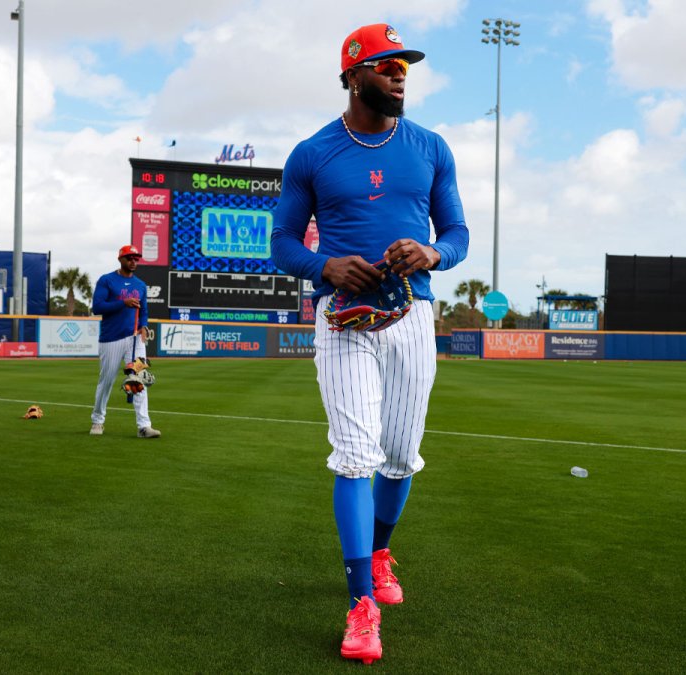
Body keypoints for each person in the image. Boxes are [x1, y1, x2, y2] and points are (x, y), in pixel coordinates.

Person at [270, 23, 469, 665]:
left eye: (404, 66)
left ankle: (381, 550)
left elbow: (458, 232)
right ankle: (361, 604)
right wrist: (324, 266)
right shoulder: (312, 153)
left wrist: (432, 251)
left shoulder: (432, 147)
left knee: (400, 455)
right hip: (342, 318)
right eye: (386, 66)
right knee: (354, 453)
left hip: (412, 316)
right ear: (353, 75)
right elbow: (281, 243)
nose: (399, 74)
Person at [88, 245, 160, 439]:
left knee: (139, 380)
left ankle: (144, 426)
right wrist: (123, 303)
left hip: (135, 339)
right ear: (120, 259)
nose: (133, 261)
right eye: (129, 258)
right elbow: (97, 307)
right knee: (107, 380)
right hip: (111, 338)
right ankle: (98, 420)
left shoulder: (141, 285)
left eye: (136, 258)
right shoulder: (107, 280)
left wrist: (144, 326)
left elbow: (143, 310)